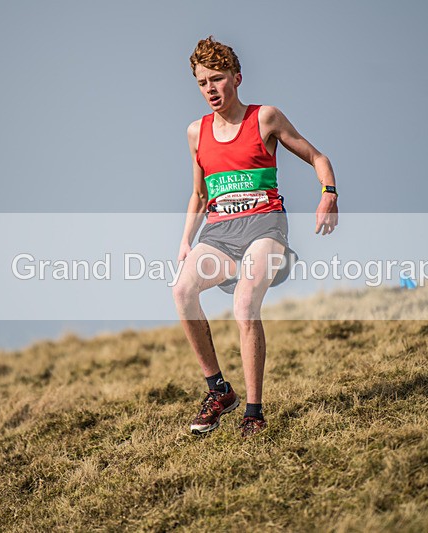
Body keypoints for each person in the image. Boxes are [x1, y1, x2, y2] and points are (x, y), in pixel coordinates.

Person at [172, 36, 338, 438]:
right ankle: (218, 391)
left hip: (265, 226)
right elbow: (199, 193)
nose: (210, 89)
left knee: (245, 304)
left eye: (217, 79)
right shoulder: (197, 132)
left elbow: (318, 157)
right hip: (220, 232)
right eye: (201, 82)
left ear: (237, 78)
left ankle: (253, 412)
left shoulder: (264, 118)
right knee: (182, 291)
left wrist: (328, 194)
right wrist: (184, 240)